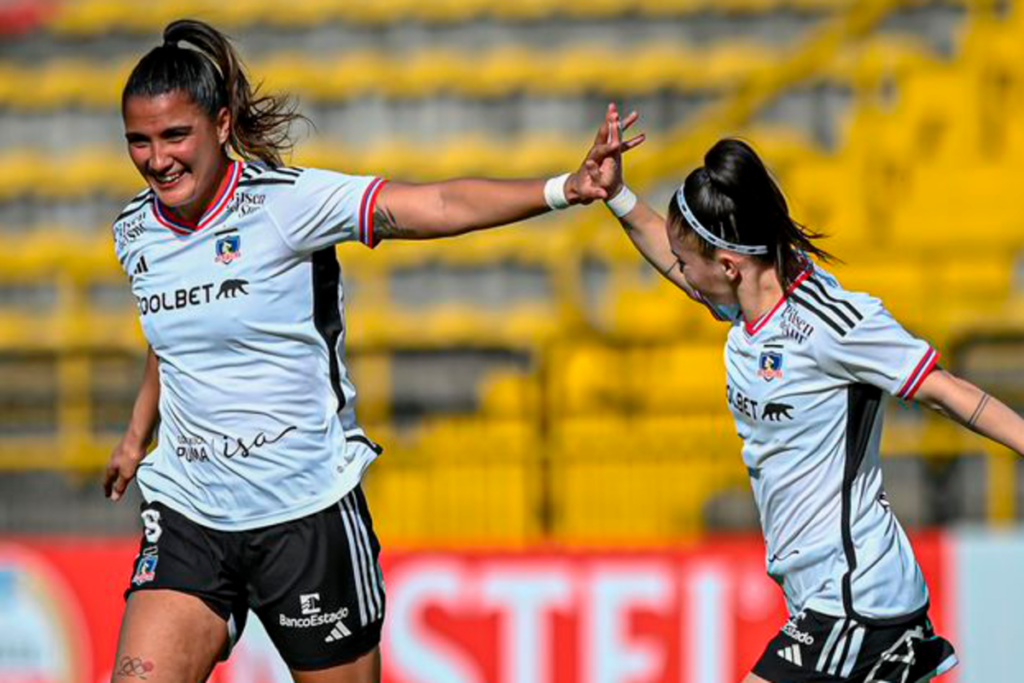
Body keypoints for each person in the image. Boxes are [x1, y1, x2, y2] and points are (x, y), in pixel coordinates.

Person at [101, 19, 642, 683]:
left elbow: (436, 202)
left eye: (174, 135)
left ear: (218, 124)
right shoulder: (135, 229)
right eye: (140, 141)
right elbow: (175, 334)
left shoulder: (288, 203)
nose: (158, 159)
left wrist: (566, 187)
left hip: (304, 514)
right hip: (189, 510)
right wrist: (136, 434)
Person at [599, 104, 1024, 682]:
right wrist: (619, 196)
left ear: (727, 265)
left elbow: (948, 393)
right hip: (824, 597)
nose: (678, 272)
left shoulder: (831, 325)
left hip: (856, 598)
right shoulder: (743, 302)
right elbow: (670, 252)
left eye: (686, 261)